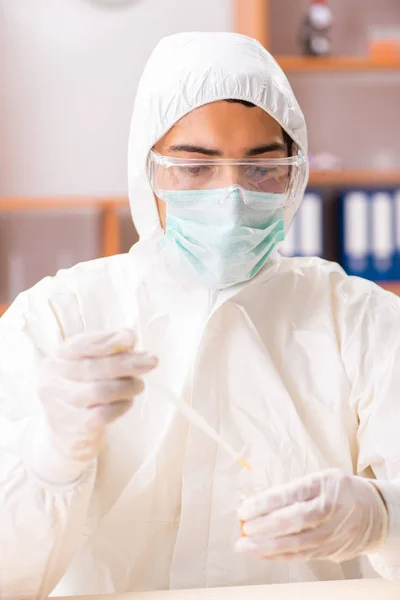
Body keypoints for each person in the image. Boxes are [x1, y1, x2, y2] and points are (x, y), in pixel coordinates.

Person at [0, 31, 399, 599]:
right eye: (194, 167)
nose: (232, 195)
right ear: (149, 174)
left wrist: (384, 516)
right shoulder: (59, 318)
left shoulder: (360, 321)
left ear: (296, 174)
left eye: (263, 168)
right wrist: (50, 455)